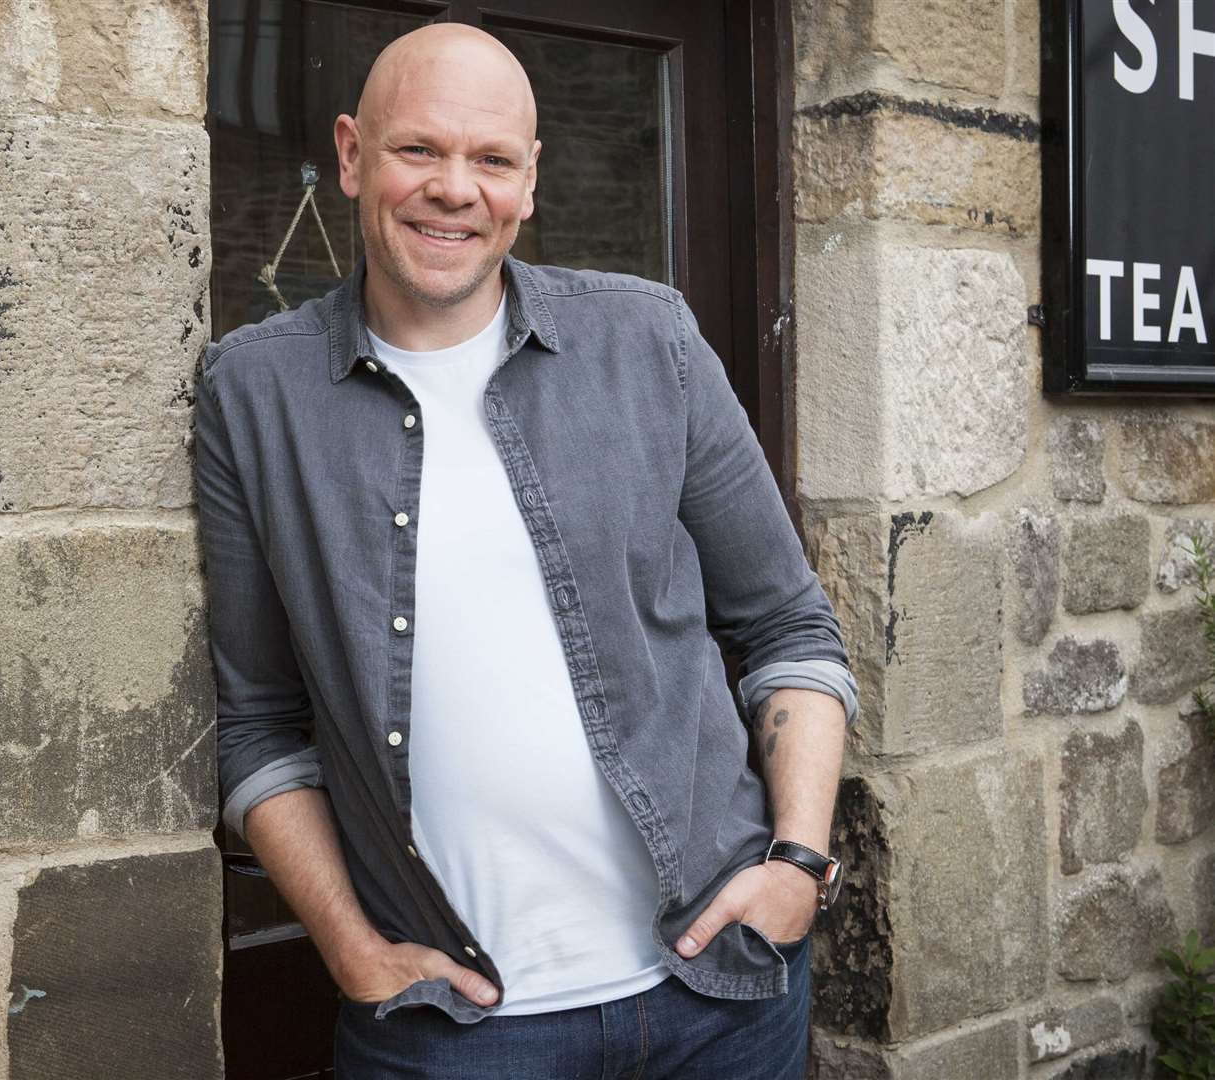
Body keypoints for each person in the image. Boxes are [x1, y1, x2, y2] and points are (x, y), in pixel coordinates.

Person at [193, 23, 858, 1079]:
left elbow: (788, 626)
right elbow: (261, 725)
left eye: (491, 160)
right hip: (449, 1032)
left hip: (719, 995)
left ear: (529, 182)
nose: (456, 189)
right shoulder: (254, 395)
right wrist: (350, 949)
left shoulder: (651, 343)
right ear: (354, 155)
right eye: (420, 150)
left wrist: (796, 864)